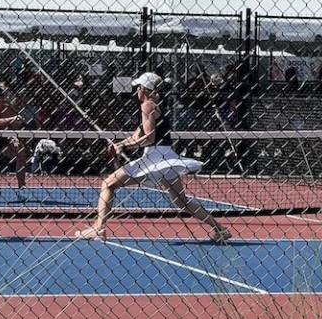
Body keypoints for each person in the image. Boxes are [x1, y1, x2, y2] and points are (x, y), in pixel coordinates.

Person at [75, 72, 232, 243]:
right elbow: (137, 136)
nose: (136, 91)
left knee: (108, 184)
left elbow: (149, 137)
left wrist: (125, 146)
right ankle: (220, 229)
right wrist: (119, 145)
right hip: (166, 157)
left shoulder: (147, 105)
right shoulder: (155, 105)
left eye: (138, 88)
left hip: (155, 158)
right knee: (182, 202)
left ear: (144, 89)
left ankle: (99, 228)